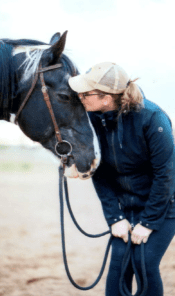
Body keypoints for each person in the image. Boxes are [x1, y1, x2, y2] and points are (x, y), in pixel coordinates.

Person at [68, 62, 175, 296]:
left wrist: (148, 223)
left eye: (86, 94)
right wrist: (115, 217)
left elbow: (165, 175)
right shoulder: (94, 119)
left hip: (164, 205)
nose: (80, 97)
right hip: (126, 207)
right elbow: (101, 172)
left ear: (106, 97)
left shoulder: (153, 119)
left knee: (144, 263)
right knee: (119, 263)